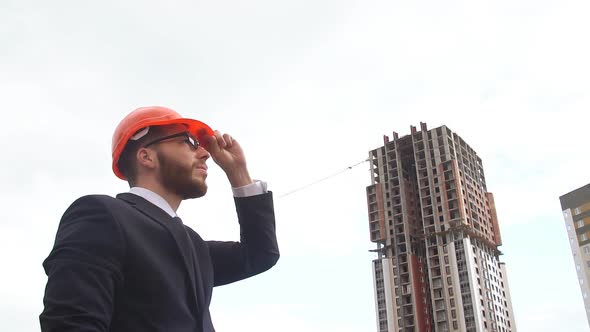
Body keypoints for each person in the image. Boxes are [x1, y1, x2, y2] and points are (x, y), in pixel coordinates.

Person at [40, 106, 279, 332]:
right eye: (189, 142)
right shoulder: (102, 215)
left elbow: (260, 254)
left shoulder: (194, 247)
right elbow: (71, 324)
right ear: (146, 157)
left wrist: (238, 172)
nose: (206, 153)